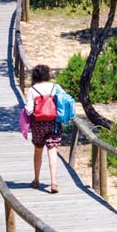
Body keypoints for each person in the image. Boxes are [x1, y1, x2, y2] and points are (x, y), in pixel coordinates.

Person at [23, 63, 71, 192]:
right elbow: (65, 100)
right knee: (52, 150)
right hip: (53, 123)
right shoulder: (55, 87)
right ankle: (54, 182)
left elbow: (29, 110)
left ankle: (36, 179)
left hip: (38, 124)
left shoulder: (32, 90)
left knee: (38, 150)